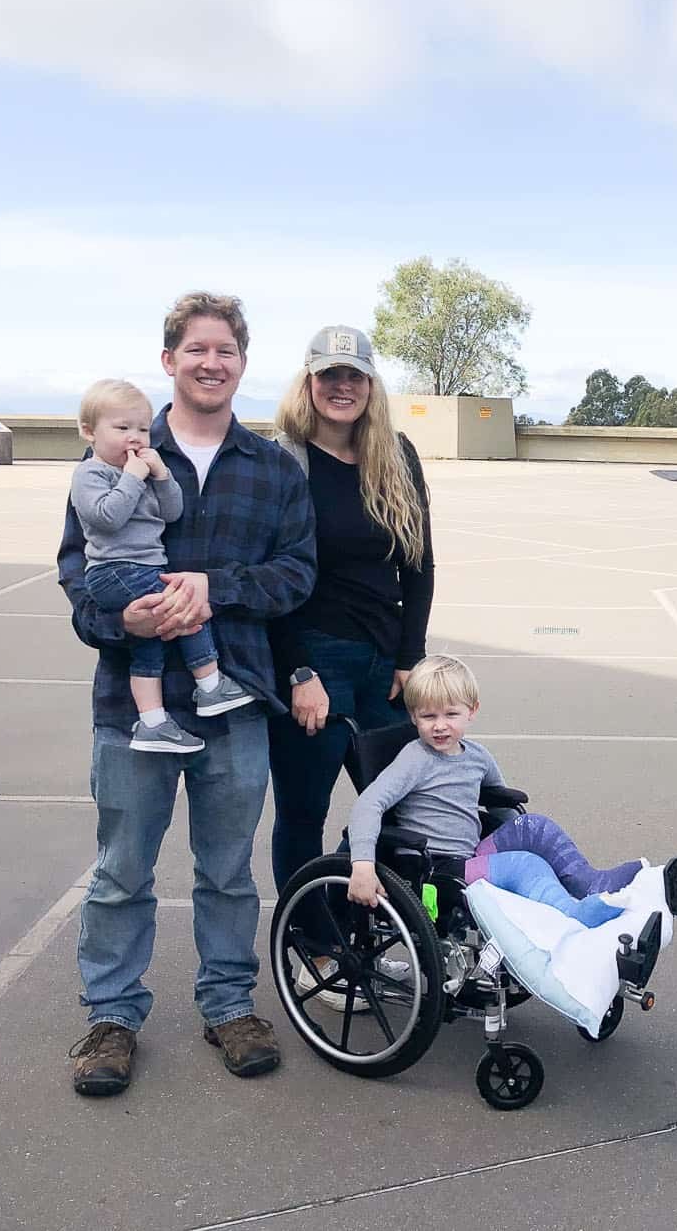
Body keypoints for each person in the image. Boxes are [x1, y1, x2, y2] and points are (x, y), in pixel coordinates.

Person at [57, 292, 316, 1098]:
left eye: (226, 351)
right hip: (132, 706)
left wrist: (218, 587)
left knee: (229, 870)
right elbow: (74, 571)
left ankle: (229, 1004)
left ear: (243, 363)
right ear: (169, 360)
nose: (212, 362)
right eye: (196, 349)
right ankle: (111, 1017)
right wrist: (119, 613)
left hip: (233, 695)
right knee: (122, 870)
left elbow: (297, 576)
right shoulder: (117, 448)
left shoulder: (272, 469)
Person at [266, 326, 434, 917]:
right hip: (313, 658)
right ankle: (310, 941)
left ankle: (342, 911)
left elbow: (419, 566)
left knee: (404, 798)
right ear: (308, 381)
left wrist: (409, 659)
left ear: (370, 384)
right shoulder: (283, 460)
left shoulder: (398, 454)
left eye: (354, 375)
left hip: (382, 662)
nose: (342, 386)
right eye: (329, 375)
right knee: (303, 812)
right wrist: (297, 670)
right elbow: (271, 579)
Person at [346, 655, 642, 928]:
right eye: (428, 717)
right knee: (525, 865)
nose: (439, 726)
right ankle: (574, 917)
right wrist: (362, 866)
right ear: (413, 717)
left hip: (469, 852)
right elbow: (369, 804)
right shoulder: (415, 758)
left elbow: (501, 803)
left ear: (472, 711)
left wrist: (518, 838)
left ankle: (591, 884)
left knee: (533, 825)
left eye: (451, 714)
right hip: (433, 867)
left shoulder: (477, 756)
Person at [69, 378, 254, 753]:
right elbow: (108, 517)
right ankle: (210, 682)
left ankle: (152, 722)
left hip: (143, 569)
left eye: (141, 428)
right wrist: (133, 478)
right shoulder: (90, 474)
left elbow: (172, 512)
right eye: (122, 429)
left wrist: (161, 475)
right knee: (181, 604)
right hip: (115, 570)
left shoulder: (142, 469)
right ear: (89, 432)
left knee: (149, 643)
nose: (135, 438)